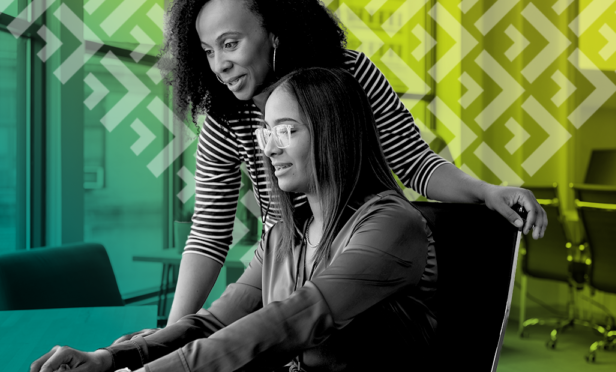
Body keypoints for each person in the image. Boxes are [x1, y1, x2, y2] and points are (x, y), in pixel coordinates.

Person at [133, 0, 547, 334]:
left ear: (274, 34)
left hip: (362, 267)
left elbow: (415, 163)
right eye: (207, 51)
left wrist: (485, 192)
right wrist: (172, 334)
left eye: (230, 43)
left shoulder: (350, 77)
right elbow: (210, 229)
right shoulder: (227, 115)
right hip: (292, 270)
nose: (219, 65)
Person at [31, 67, 438, 372]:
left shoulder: (391, 224)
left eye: (287, 131)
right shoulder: (284, 232)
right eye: (266, 134)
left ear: (336, 132)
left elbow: (292, 320)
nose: (270, 149)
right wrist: (110, 358)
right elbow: (213, 322)